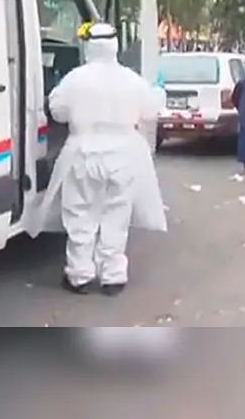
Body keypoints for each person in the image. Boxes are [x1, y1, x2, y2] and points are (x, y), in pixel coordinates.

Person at [25, 22, 167, 296]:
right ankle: (112, 276)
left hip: (84, 154)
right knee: (116, 215)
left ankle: (80, 275)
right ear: (115, 46)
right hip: (124, 155)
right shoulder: (132, 79)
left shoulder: (76, 78)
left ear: (89, 46)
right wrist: (159, 91)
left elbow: (57, 111)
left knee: (80, 214)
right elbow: (150, 111)